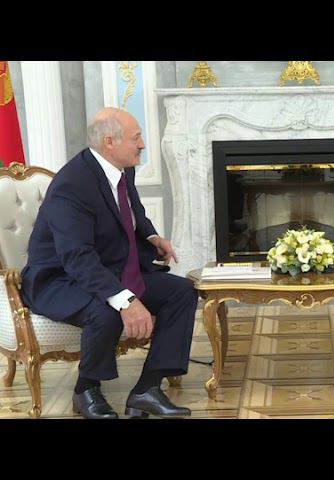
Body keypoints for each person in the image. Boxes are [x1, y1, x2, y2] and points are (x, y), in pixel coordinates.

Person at [20, 107, 199, 419]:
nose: (142, 144)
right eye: (136, 137)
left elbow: (133, 210)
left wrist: (152, 236)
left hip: (107, 269)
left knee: (182, 292)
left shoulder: (122, 168)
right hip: (60, 279)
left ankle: (147, 389)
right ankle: (86, 390)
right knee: (107, 309)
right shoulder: (72, 185)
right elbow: (77, 257)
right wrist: (125, 300)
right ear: (109, 142)